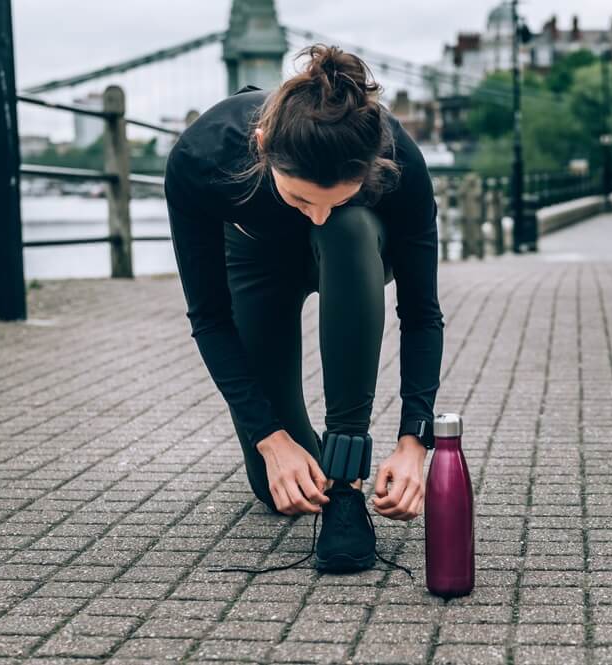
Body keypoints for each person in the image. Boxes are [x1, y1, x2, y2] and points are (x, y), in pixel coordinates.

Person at [163, 44, 444, 576]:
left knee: (347, 228)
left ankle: (347, 482)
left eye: (337, 196)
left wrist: (415, 441)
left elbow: (422, 312)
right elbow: (209, 318)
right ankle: (310, 457)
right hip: (255, 259)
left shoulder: (399, 154)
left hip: (354, 256)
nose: (315, 215)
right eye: (300, 200)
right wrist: (270, 440)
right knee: (279, 488)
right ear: (263, 145)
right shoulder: (201, 159)